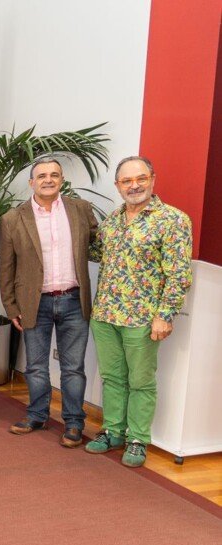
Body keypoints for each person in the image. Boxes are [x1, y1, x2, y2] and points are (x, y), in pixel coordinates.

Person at [85, 156, 192, 467]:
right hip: (105, 314)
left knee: (141, 381)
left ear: (152, 179)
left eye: (140, 178)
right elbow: (95, 254)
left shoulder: (173, 220)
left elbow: (179, 275)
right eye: (126, 181)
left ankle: (137, 439)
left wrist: (165, 315)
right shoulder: (112, 222)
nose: (134, 185)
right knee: (112, 377)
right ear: (118, 186)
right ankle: (113, 431)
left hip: (143, 318)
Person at [0, 157, 98, 447]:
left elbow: (98, 246)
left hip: (73, 300)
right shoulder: (13, 218)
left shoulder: (80, 210)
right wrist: (11, 306)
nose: (48, 180)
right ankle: (37, 415)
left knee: (73, 367)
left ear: (62, 180)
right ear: (32, 182)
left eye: (54, 175)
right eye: (41, 175)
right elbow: (7, 266)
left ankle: (74, 423)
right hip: (34, 303)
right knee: (37, 366)